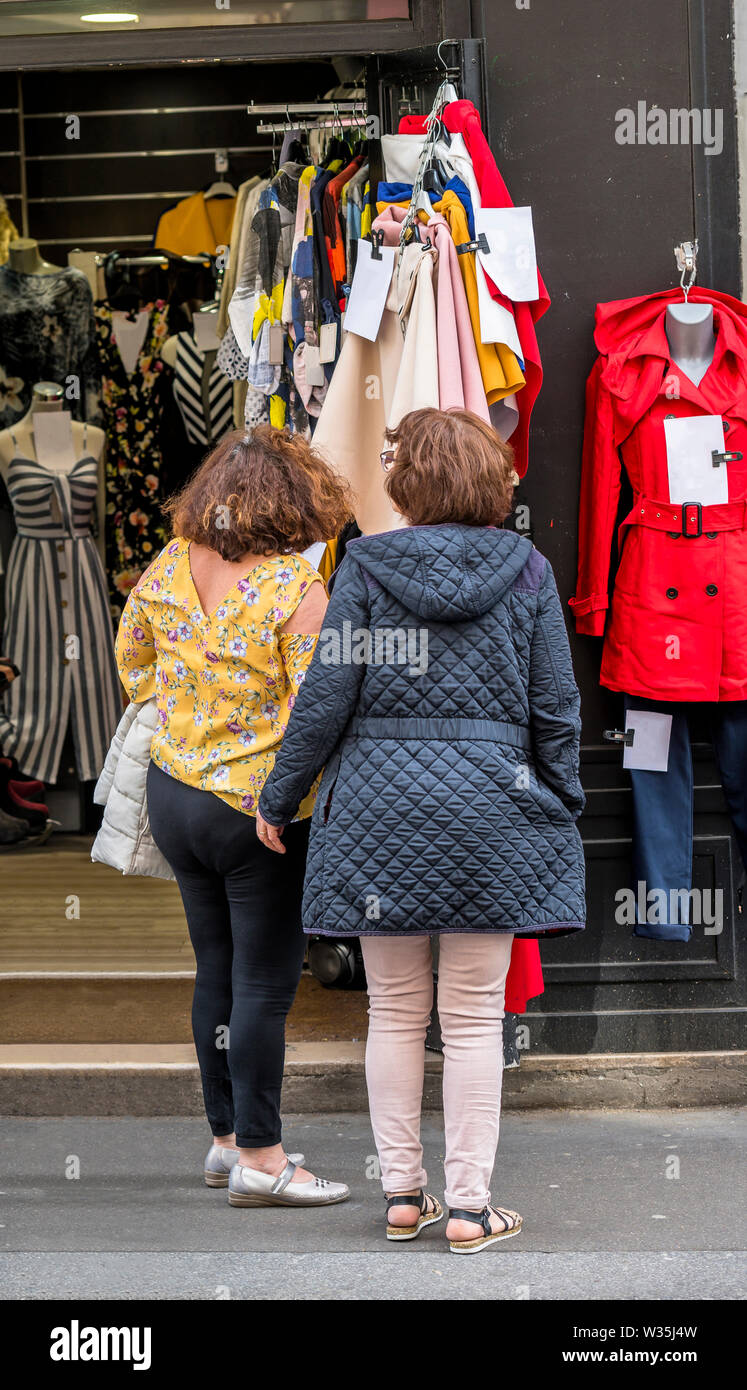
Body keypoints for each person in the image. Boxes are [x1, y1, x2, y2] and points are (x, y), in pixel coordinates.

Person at [257, 407, 586, 1255]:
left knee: (396, 1012)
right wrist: (561, 798)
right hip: (494, 806)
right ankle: (471, 1209)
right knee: (474, 1016)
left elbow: (325, 698)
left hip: (376, 811)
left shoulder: (362, 567)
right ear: (489, 477)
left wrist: (277, 795)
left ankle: (403, 1194)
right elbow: (554, 706)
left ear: (404, 482)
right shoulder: (527, 569)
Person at [115, 425, 352, 1209]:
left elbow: (131, 661)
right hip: (258, 812)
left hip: (174, 791)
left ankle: (224, 1142)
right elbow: (313, 713)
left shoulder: (171, 562)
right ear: (299, 499)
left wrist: (185, 713)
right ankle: (262, 1156)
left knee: (214, 968)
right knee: (262, 984)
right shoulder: (295, 587)